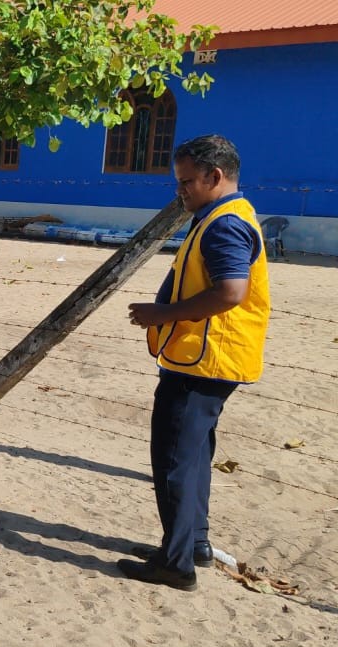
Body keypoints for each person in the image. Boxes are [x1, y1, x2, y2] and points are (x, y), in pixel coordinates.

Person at [118, 134, 270, 591]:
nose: (180, 190)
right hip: (206, 359)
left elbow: (230, 292)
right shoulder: (219, 217)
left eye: (186, 182)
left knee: (174, 461)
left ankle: (176, 563)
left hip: (203, 363)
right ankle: (191, 543)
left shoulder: (225, 224)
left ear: (214, 177)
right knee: (195, 456)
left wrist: (161, 314)